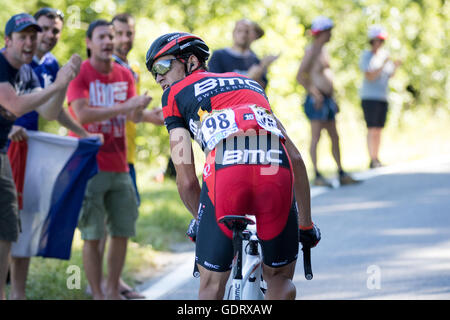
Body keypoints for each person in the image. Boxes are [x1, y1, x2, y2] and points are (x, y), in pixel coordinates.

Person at [145, 32, 321, 300]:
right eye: (153, 72)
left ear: (191, 61)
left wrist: (201, 221)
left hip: (225, 177)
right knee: (281, 281)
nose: (158, 78)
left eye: (162, 66)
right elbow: (296, 158)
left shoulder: (173, 95)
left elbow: (187, 180)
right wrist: (306, 226)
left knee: (211, 287)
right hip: (276, 170)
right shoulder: (250, 84)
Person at [8, 7, 102, 300]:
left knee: (21, 221)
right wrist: (6, 127)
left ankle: (18, 293)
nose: (47, 36)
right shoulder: (8, 60)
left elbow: (52, 110)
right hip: (8, 144)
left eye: (54, 30)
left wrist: (84, 135)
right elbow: (9, 103)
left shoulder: (48, 65)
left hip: (30, 148)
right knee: (5, 223)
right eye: (42, 29)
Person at [66, 19, 152, 300]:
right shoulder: (80, 73)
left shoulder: (125, 75)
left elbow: (132, 117)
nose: (108, 42)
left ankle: (113, 290)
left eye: (111, 37)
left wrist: (140, 108)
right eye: (102, 37)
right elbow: (82, 114)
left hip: (119, 163)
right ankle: (99, 295)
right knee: (92, 233)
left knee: (122, 229)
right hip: (88, 163)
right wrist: (126, 105)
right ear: (89, 42)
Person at [296, 16, 359, 187]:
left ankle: (341, 172)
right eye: (329, 31)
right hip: (317, 99)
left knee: (334, 136)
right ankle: (317, 175)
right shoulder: (312, 50)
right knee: (316, 136)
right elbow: (301, 75)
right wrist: (315, 93)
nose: (331, 34)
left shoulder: (323, 50)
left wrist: (334, 98)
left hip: (328, 99)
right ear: (322, 32)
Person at [359, 26, 401, 169]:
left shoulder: (384, 55)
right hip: (369, 97)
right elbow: (369, 76)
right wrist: (383, 64)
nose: (379, 44)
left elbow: (390, 74)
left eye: (382, 41)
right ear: (372, 41)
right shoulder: (366, 56)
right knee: (371, 128)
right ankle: (372, 159)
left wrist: (395, 66)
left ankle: (377, 157)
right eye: (377, 41)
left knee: (379, 128)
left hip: (382, 97)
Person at [208, 19, 279, 89]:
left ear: (252, 36)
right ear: (233, 33)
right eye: (239, 31)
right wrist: (249, 77)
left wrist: (263, 67)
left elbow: (261, 90)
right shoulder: (219, 56)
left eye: (247, 32)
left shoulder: (256, 61)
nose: (243, 35)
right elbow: (213, 86)